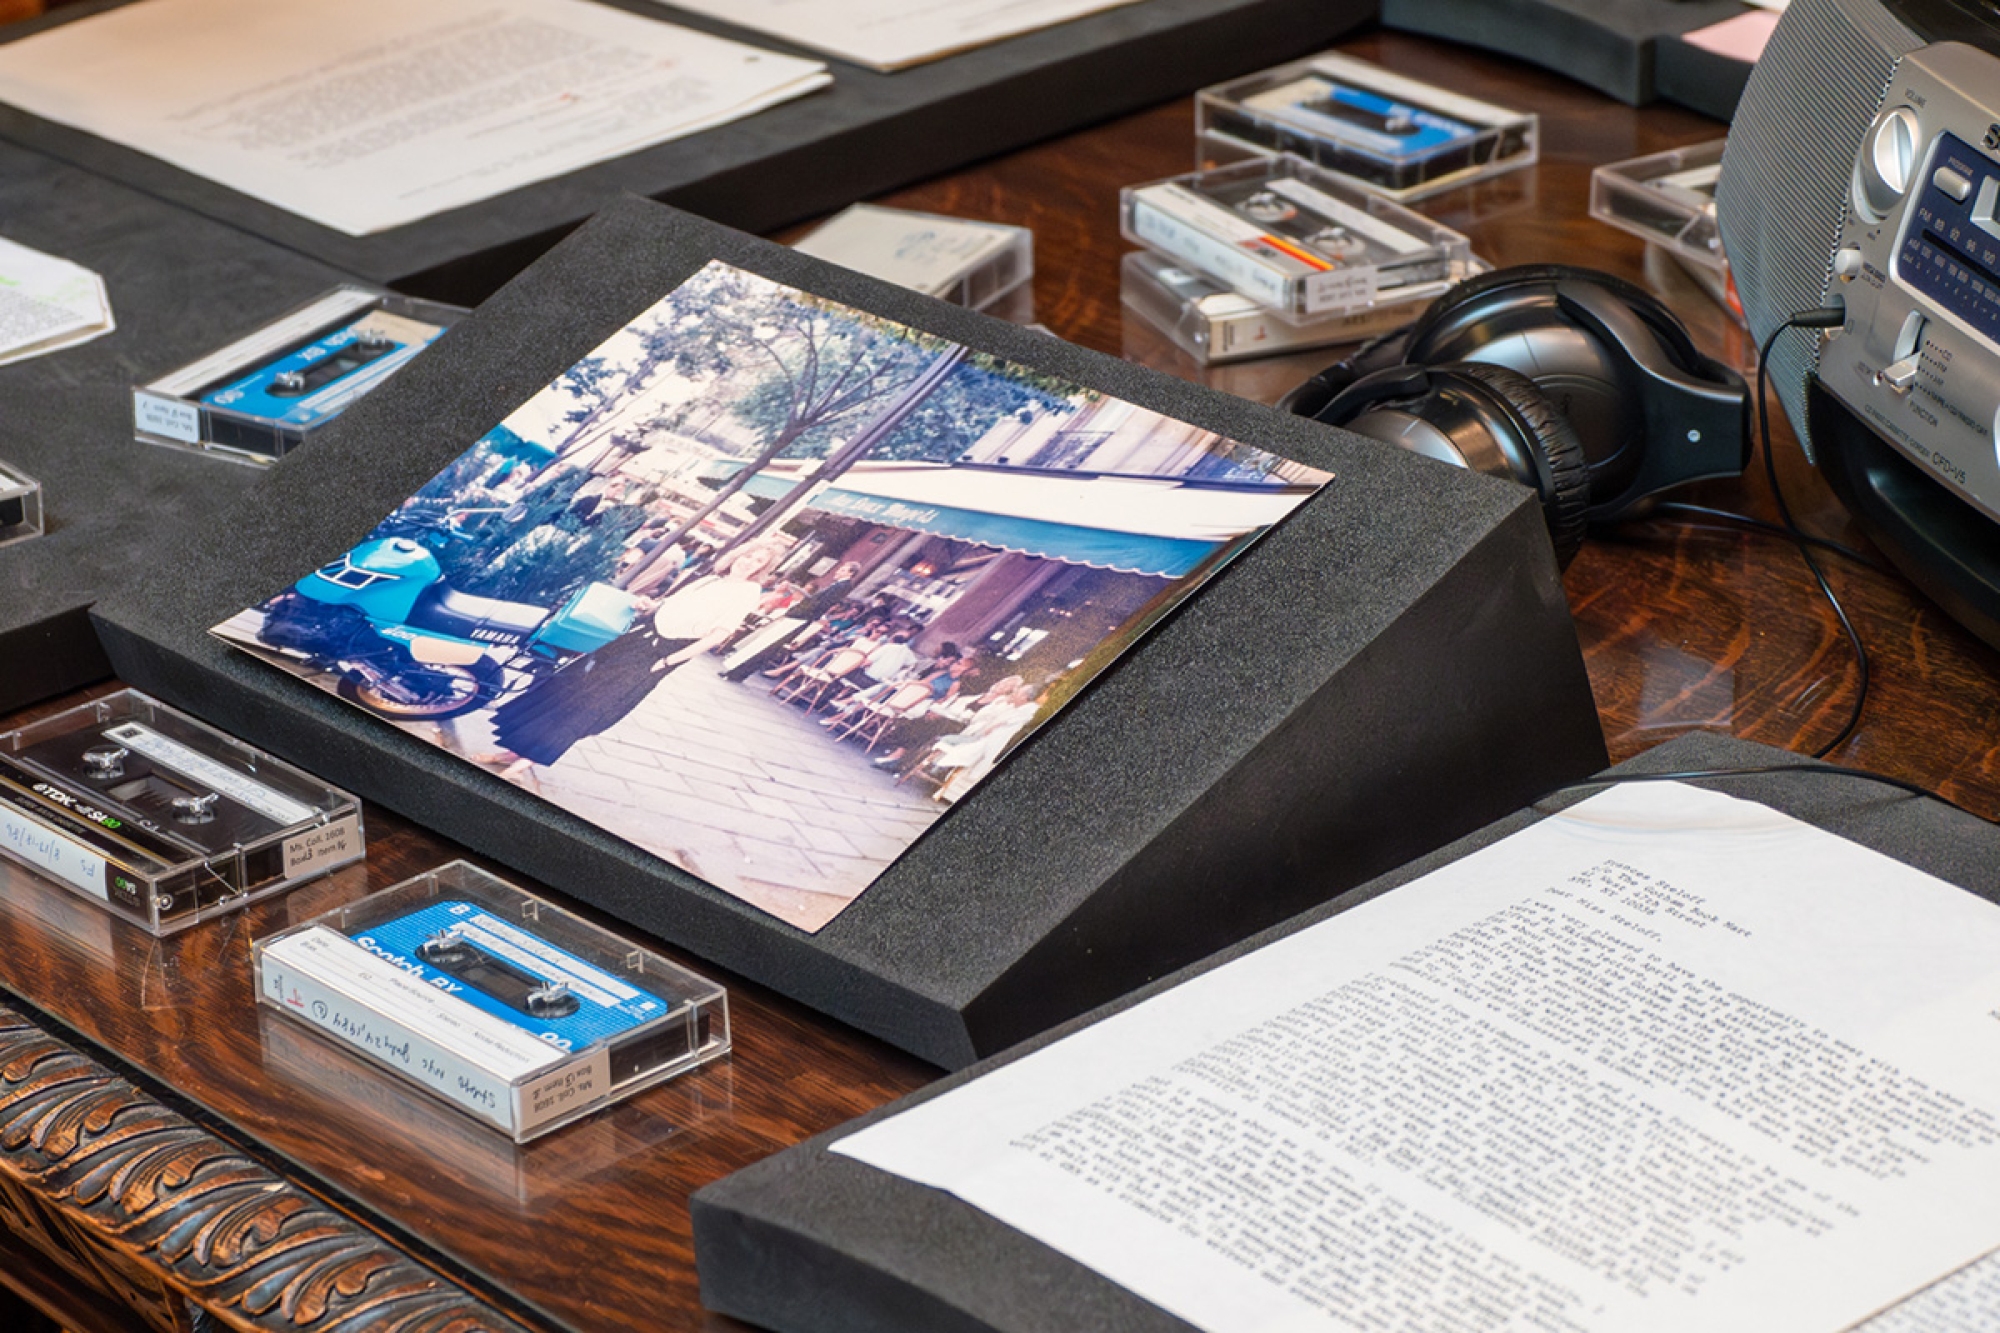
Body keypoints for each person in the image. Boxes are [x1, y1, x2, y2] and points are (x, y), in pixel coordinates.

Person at [473, 543, 784, 783]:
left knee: (591, 704)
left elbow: (718, 635)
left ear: (763, 569)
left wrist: (666, 661)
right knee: (566, 688)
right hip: (635, 639)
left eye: (758, 562)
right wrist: (649, 605)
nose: (749, 562)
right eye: (749, 555)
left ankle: (525, 761)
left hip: (659, 653)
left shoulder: (747, 592)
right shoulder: (710, 580)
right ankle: (513, 751)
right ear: (739, 554)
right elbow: (668, 607)